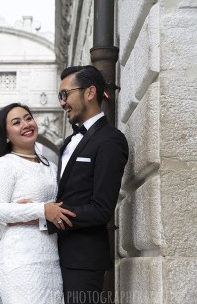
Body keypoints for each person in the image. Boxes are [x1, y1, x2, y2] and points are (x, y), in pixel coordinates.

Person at [0, 103, 76, 304]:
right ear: (6, 135)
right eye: (16, 122)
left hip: (52, 257)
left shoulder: (51, 166)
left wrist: (38, 212)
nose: (26, 124)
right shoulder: (5, 164)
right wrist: (41, 209)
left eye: (28, 118)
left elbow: (58, 209)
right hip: (20, 259)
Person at [48, 65, 129, 304]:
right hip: (53, 256)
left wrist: (50, 216)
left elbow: (102, 208)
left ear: (90, 92)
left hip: (83, 263)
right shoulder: (69, 142)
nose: (62, 102)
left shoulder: (111, 141)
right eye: (60, 96)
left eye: (65, 94)